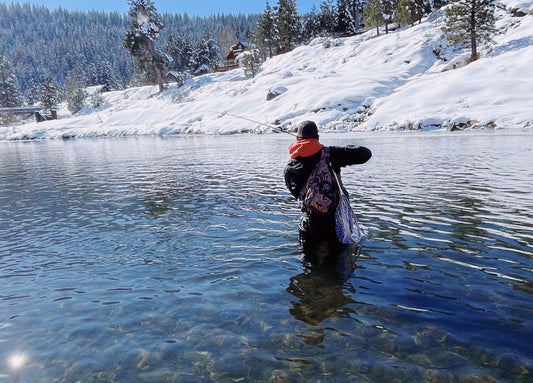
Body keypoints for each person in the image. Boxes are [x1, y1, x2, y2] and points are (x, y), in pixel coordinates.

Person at [284, 120, 372, 253]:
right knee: (337, 267)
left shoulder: (289, 168)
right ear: (318, 137)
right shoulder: (332, 155)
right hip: (336, 225)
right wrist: (343, 150)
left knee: (310, 267)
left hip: (309, 224)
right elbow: (366, 153)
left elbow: (298, 195)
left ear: (297, 139)